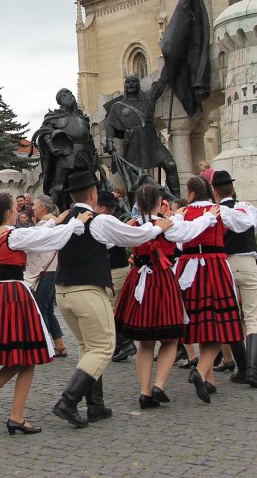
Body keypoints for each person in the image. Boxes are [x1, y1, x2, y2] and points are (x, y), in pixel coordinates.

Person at [50, 171, 169, 429]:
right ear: (93, 194)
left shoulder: (65, 220)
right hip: (87, 291)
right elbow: (132, 236)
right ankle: (68, 401)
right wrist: (157, 227)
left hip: (63, 292)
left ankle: (96, 405)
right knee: (103, 347)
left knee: (87, 347)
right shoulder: (97, 220)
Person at [0, 193, 87, 435]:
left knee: (20, 356)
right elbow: (43, 238)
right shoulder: (13, 234)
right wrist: (75, 223)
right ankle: (15, 416)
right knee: (27, 356)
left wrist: (57, 221)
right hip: (14, 294)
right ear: (10, 212)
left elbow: (37, 234)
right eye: (15, 208)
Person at [113, 183, 186, 408]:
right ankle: (159, 384)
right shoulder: (168, 225)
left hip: (139, 280)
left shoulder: (133, 225)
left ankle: (144, 391)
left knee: (145, 342)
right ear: (158, 202)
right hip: (162, 280)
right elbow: (188, 234)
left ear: (137, 204)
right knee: (171, 336)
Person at [171, 176, 241, 404]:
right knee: (217, 322)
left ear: (190, 194)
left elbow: (178, 240)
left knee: (201, 321)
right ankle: (202, 372)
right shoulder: (217, 210)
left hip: (188, 269)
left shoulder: (184, 214)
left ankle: (209, 380)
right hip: (215, 265)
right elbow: (249, 225)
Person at [212, 170, 257, 388]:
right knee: (252, 317)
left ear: (215, 193)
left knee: (231, 317)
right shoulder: (245, 207)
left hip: (225, 264)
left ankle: (242, 368)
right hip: (247, 262)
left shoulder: (214, 211)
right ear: (233, 189)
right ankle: (254, 370)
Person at [98, 190, 137, 364]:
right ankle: (119, 344)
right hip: (114, 269)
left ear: (104, 208)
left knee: (110, 309)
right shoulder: (106, 221)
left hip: (115, 270)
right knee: (113, 308)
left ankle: (125, 342)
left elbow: (114, 241)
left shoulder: (109, 222)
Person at [26, 195, 66, 356]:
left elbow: (30, 239)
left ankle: (45, 345)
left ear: (43, 207)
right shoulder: (52, 222)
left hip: (44, 270)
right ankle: (59, 345)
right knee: (47, 309)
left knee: (41, 308)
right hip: (50, 270)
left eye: (35, 206)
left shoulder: (46, 224)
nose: (33, 208)